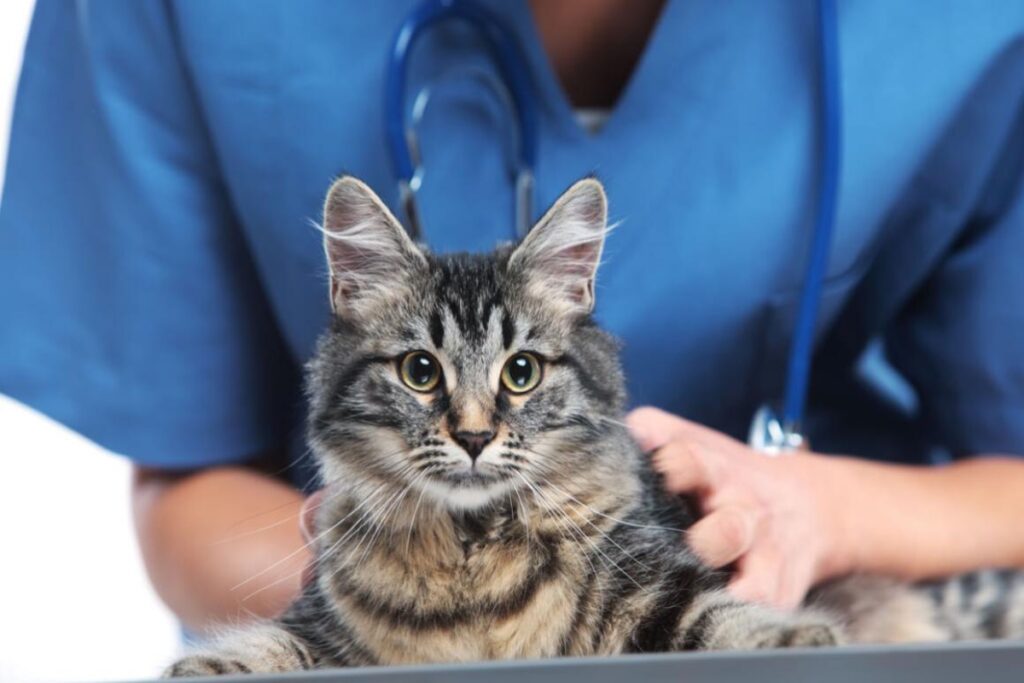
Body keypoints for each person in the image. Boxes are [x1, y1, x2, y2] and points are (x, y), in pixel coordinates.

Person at [2, 0, 1024, 633]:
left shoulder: (967, 24)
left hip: (809, 608)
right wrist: (385, 600)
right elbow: (180, 468)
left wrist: (825, 508)